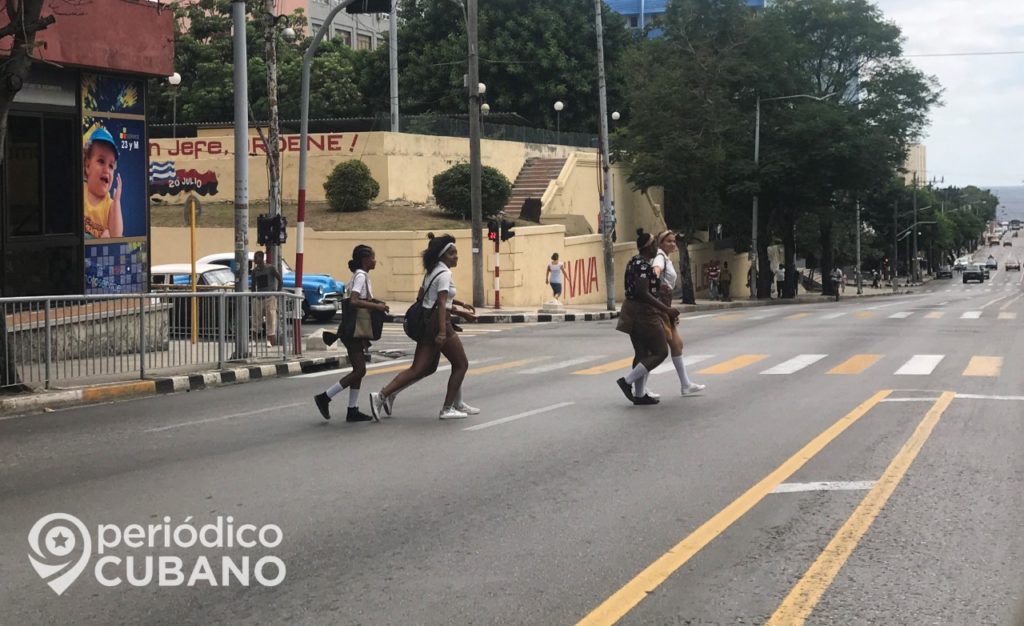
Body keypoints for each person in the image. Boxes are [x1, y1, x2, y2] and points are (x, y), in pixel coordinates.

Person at [370, 233, 479, 420]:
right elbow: (442, 303)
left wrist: (460, 310)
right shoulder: (445, 273)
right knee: (461, 364)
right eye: (452, 253)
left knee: (424, 368)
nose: (456, 256)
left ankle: (385, 395)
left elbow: (425, 297)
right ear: (443, 256)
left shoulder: (433, 270)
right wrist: (443, 331)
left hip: (429, 323)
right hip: (440, 324)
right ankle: (447, 408)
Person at [315, 245, 389, 422]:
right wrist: (377, 306)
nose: (375, 261)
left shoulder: (360, 276)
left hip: (354, 330)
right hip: (354, 330)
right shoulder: (361, 276)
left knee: (358, 370)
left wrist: (375, 303)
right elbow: (355, 301)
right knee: (360, 370)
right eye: (372, 257)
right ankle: (325, 397)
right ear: (365, 260)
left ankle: (352, 409)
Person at [615, 229, 680, 405]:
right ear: (647, 247)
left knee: (642, 353)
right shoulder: (643, 265)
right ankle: (627, 382)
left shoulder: (634, 261)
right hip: (643, 312)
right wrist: (666, 309)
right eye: (654, 245)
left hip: (632, 310)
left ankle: (639, 394)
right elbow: (643, 292)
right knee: (660, 352)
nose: (656, 248)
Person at [651, 230, 706, 396]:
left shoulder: (666, 257)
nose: (672, 244)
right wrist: (656, 281)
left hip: (666, 306)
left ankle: (685, 384)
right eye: (668, 241)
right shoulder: (660, 257)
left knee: (677, 344)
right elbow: (656, 271)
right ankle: (635, 384)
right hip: (661, 306)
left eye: (674, 241)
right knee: (654, 350)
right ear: (660, 243)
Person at [83, 126, 124, 239]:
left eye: (111, 166)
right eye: (101, 161)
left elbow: (116, 235)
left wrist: (116, 202)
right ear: (87, 165)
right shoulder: (82, 189)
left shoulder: (109, 206)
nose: (106, 169)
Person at [251, 250, 282, 347]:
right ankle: (254, 340)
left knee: (270, 317)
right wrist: (254, 295)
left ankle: (269, 340)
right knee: (256, 318)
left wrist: (277, 293)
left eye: (256, 257)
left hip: (270, 297)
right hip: (259, 297)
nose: (254, 260)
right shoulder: (255, 271)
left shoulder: (270, 268)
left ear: (261, 258)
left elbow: (279, 279)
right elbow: (253, 284)